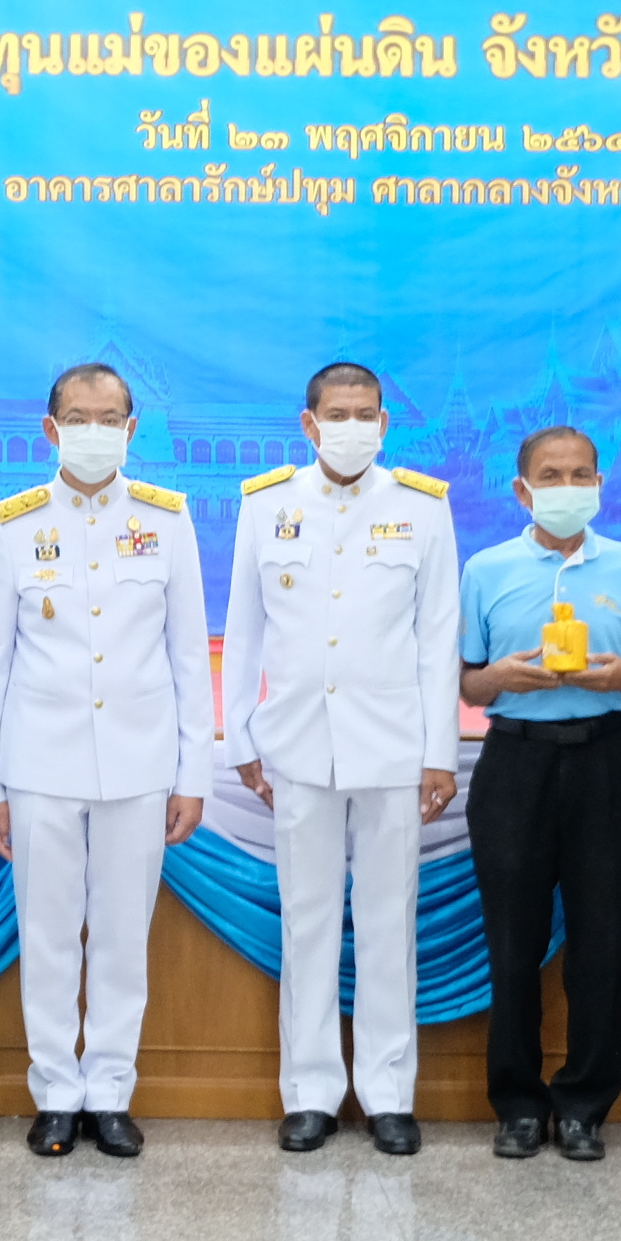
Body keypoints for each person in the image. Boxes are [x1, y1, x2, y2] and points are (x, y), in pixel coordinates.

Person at [0, 361, 211, 1159]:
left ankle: (109, 1091)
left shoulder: (169, 521)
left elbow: (187, 657)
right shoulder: (12, 524)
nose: (95, 431)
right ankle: (54, 1094)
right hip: (39, 765)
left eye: (111, 419)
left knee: (119, 936)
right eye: (80, 417)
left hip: (140, 767)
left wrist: (193, 774)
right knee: (44, 934)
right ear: (51, 429)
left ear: (131, 430)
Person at [221, 361, 461, 1156]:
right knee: (309, 922)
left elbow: (437, 640)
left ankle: (389, 1092)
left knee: (390, 923)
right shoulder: (266, 505)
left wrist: (438, 753)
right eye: (337, 412)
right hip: (295, 746)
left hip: (393, 747)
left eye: (366, 413)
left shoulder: (422, 508)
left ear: (385, 422)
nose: (352, 425)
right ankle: (313, 1092)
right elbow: (244, 631)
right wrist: (240, 737)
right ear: (309, 421)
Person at [458, 425, 621, 1161]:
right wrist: (500, 680)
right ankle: (515, 1104)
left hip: (607, 759)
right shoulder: (485, 569)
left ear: (600, 486)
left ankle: (584, 1105)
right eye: (553, 475)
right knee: (512, 944)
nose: (568, 488)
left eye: (582, 475)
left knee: (602, 942)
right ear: (522, 489)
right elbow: (467, 680)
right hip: (515, 762)